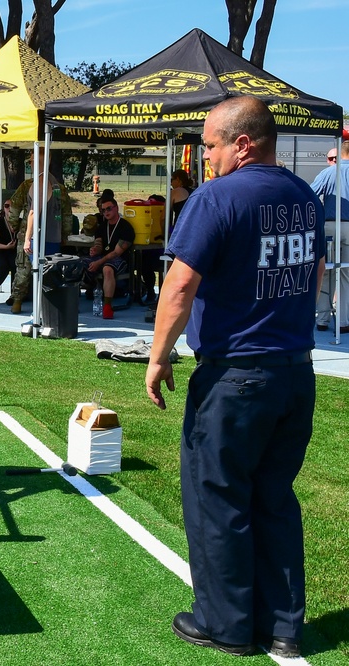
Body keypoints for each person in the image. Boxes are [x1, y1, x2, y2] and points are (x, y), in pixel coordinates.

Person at [145, 96, 325, 660]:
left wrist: (158, 355)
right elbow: (314, 271)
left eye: (212, 144)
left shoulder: (215, 197)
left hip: (236, 375)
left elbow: (179, 286)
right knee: (273, 497)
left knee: (218, 498)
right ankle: (282, 626)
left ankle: (223, 624)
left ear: (242, 144)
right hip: (295, 371)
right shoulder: (303, 195)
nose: (207, 155)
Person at [311, 141, 349, 333]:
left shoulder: (328, 172)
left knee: (326, 272)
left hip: (330, 225)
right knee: (346, 275)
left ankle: (323, 319)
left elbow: (310, 195)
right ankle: (343, 322)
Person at [82, 192, 134, 319]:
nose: (106, 212)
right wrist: (95, 250)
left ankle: (107, 306)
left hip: (120, 259)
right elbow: (99, 244)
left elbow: (117, 252)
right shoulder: (102, 227)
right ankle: (76, 296)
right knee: (78, 262)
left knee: (107, 269)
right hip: (103, 257)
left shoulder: (125, 227)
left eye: (109, 209)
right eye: (103, 210)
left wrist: (99, 262)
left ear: (116, 208)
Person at [20, 154, 73, 258]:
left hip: (42, 239)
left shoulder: (41, 182)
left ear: (36, 162)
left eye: (31, 161)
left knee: (40, 271)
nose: (30, 165)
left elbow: (33, 212)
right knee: (48, 271)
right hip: (54, 236)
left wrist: (27, 239)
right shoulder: (53, 181)